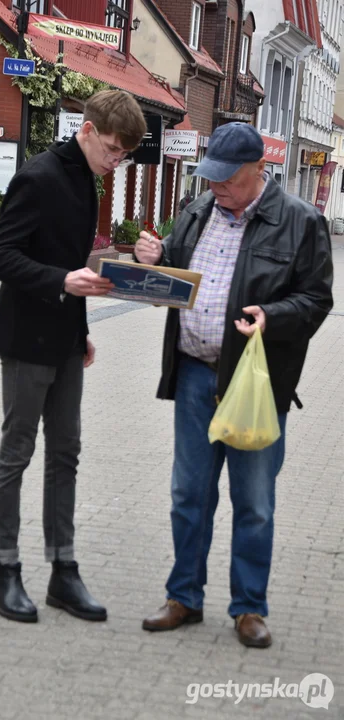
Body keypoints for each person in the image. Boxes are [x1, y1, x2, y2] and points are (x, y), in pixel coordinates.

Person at [135, 122, 333, 647]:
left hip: (253, 382)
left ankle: (249, 607)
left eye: (226, 178)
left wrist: (271, 316)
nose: (215, 186)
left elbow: (317, 301)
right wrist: (154, 263)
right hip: (196, 376)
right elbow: (176, 280)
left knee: (254, 501)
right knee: (188, 495)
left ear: (257, 171)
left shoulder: (300, 221)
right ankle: (184, 597)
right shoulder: (198, 211)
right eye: (211, 176)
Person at [0, 90, 147, 623]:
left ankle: (63, 571)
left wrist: (81, 334)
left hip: (64, 339)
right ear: (88, 129)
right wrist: (60, 281)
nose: (116, 161)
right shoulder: (40, 174)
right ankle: (5, 572)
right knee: (18, 453)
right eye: (114, 150)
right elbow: (0, 255)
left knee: (66, 454)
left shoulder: (86, 179)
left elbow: (71, 262)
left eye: (124, 155)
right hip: (25, 337)